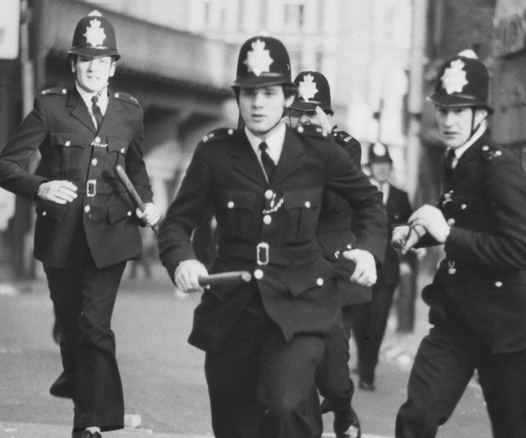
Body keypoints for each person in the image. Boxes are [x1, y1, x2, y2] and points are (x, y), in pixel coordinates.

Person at [157, 36, 387, 438]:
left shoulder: (318, 153)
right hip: (231, 312)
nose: (258, 103)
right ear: (238, 98)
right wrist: (182, 260)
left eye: (268, 92)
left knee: (284, 405)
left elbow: (370, 203)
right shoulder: (214, 154)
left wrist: (369, 251)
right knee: (235, 425)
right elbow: (177, 224)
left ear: (285, 97)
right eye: (249, 93)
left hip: (299, 308)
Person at [0, 11, 161, 438]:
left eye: (101, 60)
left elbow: (136, 170)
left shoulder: (129, 113)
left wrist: (150, 203)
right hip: (61, 236)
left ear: (113, 66)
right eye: (84, 59)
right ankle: (79, 380)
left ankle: (90, 425)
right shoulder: (49, 107)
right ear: (73, 63)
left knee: (93, 326)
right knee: (71, 327)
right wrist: (40, 187)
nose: (92, 67)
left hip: (112, 235)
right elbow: (4, 166)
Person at [391, 51, 526, 438]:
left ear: (481, 116)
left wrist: (447, 234)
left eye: (460, 111)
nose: (448, 120)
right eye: (443, 109)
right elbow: (459, 216)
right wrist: (420, 232)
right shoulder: (454, 160)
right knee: (416, 417)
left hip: (508, 326)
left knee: (515, 430)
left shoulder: (500, 167)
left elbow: (521, 250)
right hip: (457, 320)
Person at [286, 70, 365, 438]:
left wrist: (325, 144)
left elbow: (335, 203)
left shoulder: (346, 147)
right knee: (297, 364)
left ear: (329, 117)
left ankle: (343, 407)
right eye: (298, 112)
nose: (304, 120)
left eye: (313, 113)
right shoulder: (278, 147)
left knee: (334, 368)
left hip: (332, 266)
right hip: (290, 267)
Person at [352, 142, 413, 392]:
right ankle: (365, 358)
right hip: (360, 270)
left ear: (390, 167)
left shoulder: (400, 197)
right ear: (370, 167)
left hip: (387, 272)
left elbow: (410, 232)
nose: (381, 169)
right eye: (377, 165)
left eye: (385, 165)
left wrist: (408, 262)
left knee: (377, 324)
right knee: (359, 323)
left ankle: (368, 371)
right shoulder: (359, 193)